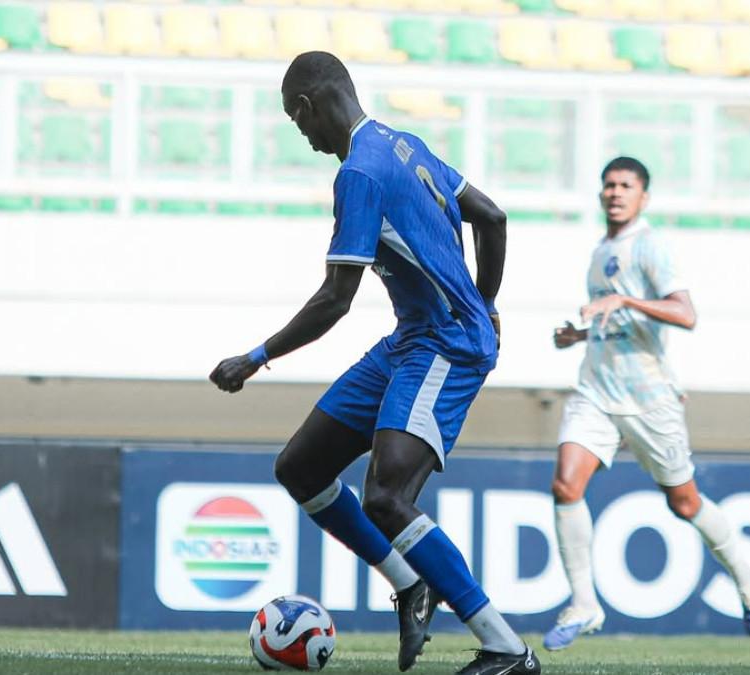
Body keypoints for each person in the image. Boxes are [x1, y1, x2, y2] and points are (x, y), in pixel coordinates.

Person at [210, 51, 539, 675]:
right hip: (413, 337)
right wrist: (489, 300)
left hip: (446, 343)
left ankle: (507, 650)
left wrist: (255, 357)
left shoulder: (358, 174)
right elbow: (491, 217)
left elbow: (336, 299)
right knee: (302, 467)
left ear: (308, 106)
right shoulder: (405, 145)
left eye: (295, 119)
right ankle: (412, 585)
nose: (301, 135)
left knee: (387, 496)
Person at [542, 157, 750, 652]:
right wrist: (579, 334)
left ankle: (748, 578)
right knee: (565, 483)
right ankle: (584, 603)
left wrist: (623, 301)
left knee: (684, 501)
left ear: (644, 197)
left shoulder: (650, 246)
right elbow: (617, 322)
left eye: (626, 185)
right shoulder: (601, 249)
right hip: (597, 389)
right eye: (609, 184)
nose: (615, 192)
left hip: (648, 397)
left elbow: (685, 314)